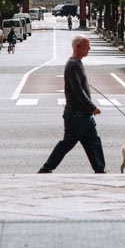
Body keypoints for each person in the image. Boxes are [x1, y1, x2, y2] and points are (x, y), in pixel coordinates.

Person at [38, 34, 107, 173]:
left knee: (93, 141)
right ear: (78, 47)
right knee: (68, 143)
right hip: (76, 114)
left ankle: (100, 169)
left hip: (83, 114)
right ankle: (46, 168)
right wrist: (92, 107)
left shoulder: (77, 63)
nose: (89, 49)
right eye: (87, 46)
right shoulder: (73, 65)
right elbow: (77, 91)